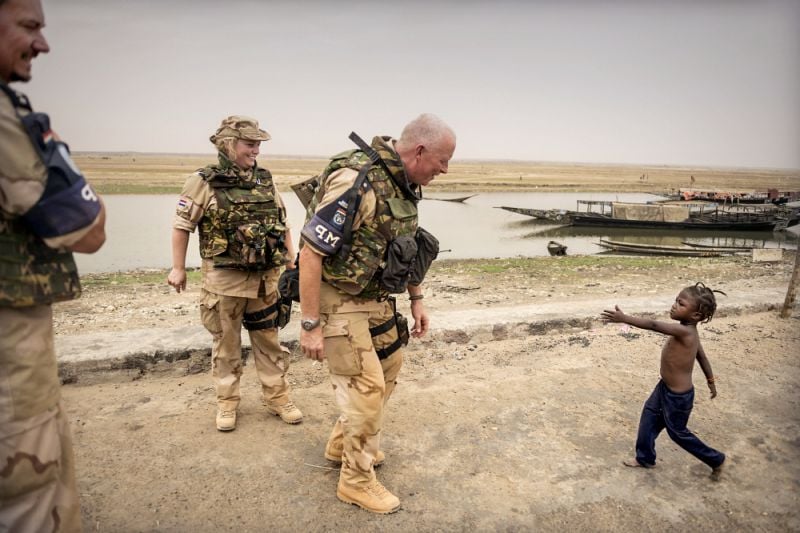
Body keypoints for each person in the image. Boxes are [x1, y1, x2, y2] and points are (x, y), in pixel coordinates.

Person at [298, 113, 456, 514]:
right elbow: (310, 254)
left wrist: (417, 299)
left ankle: (343, 444)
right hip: (337, 296)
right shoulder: (355, 179)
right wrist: (310, 325)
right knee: (365, 390)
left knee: (389, 368)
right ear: (419, 150)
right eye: (442, 160)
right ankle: (355, 481)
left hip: (376, 296)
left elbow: (408, 246)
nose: (444, 169)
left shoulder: (402, 183)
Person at [0, 0, 107, 530]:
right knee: (30, 493)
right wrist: (56, 152)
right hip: (9, 358)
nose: (42, 44)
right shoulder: (5, 119)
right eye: (29, 26)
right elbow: (90, 231)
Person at [167, 116, 303, 431]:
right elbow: (182, 225)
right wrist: (178, 268)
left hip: (264, 282)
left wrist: (291, 259)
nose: (256, 150)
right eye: (250, 144)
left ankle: (278, 398)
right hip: (224, 283)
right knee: (226, 347)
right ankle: (227, 403)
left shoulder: (265, 179)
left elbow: (282, 222)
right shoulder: (203, 181)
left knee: (269, 342)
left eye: (258, 144)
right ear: (229, 144)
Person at [601, 282, 726, 480]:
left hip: (678, 397)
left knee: (678, 433)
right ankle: (645, 458)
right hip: (664, 388)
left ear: (695, 316)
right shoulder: (686, 331)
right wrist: (711, 380)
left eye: (681, 304)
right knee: (649, 417)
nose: (674, 306)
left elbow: (654, 325)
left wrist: (624, 319)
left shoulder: (686, 332)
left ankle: (716, 459)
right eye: (676, 301)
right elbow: (702, 357)